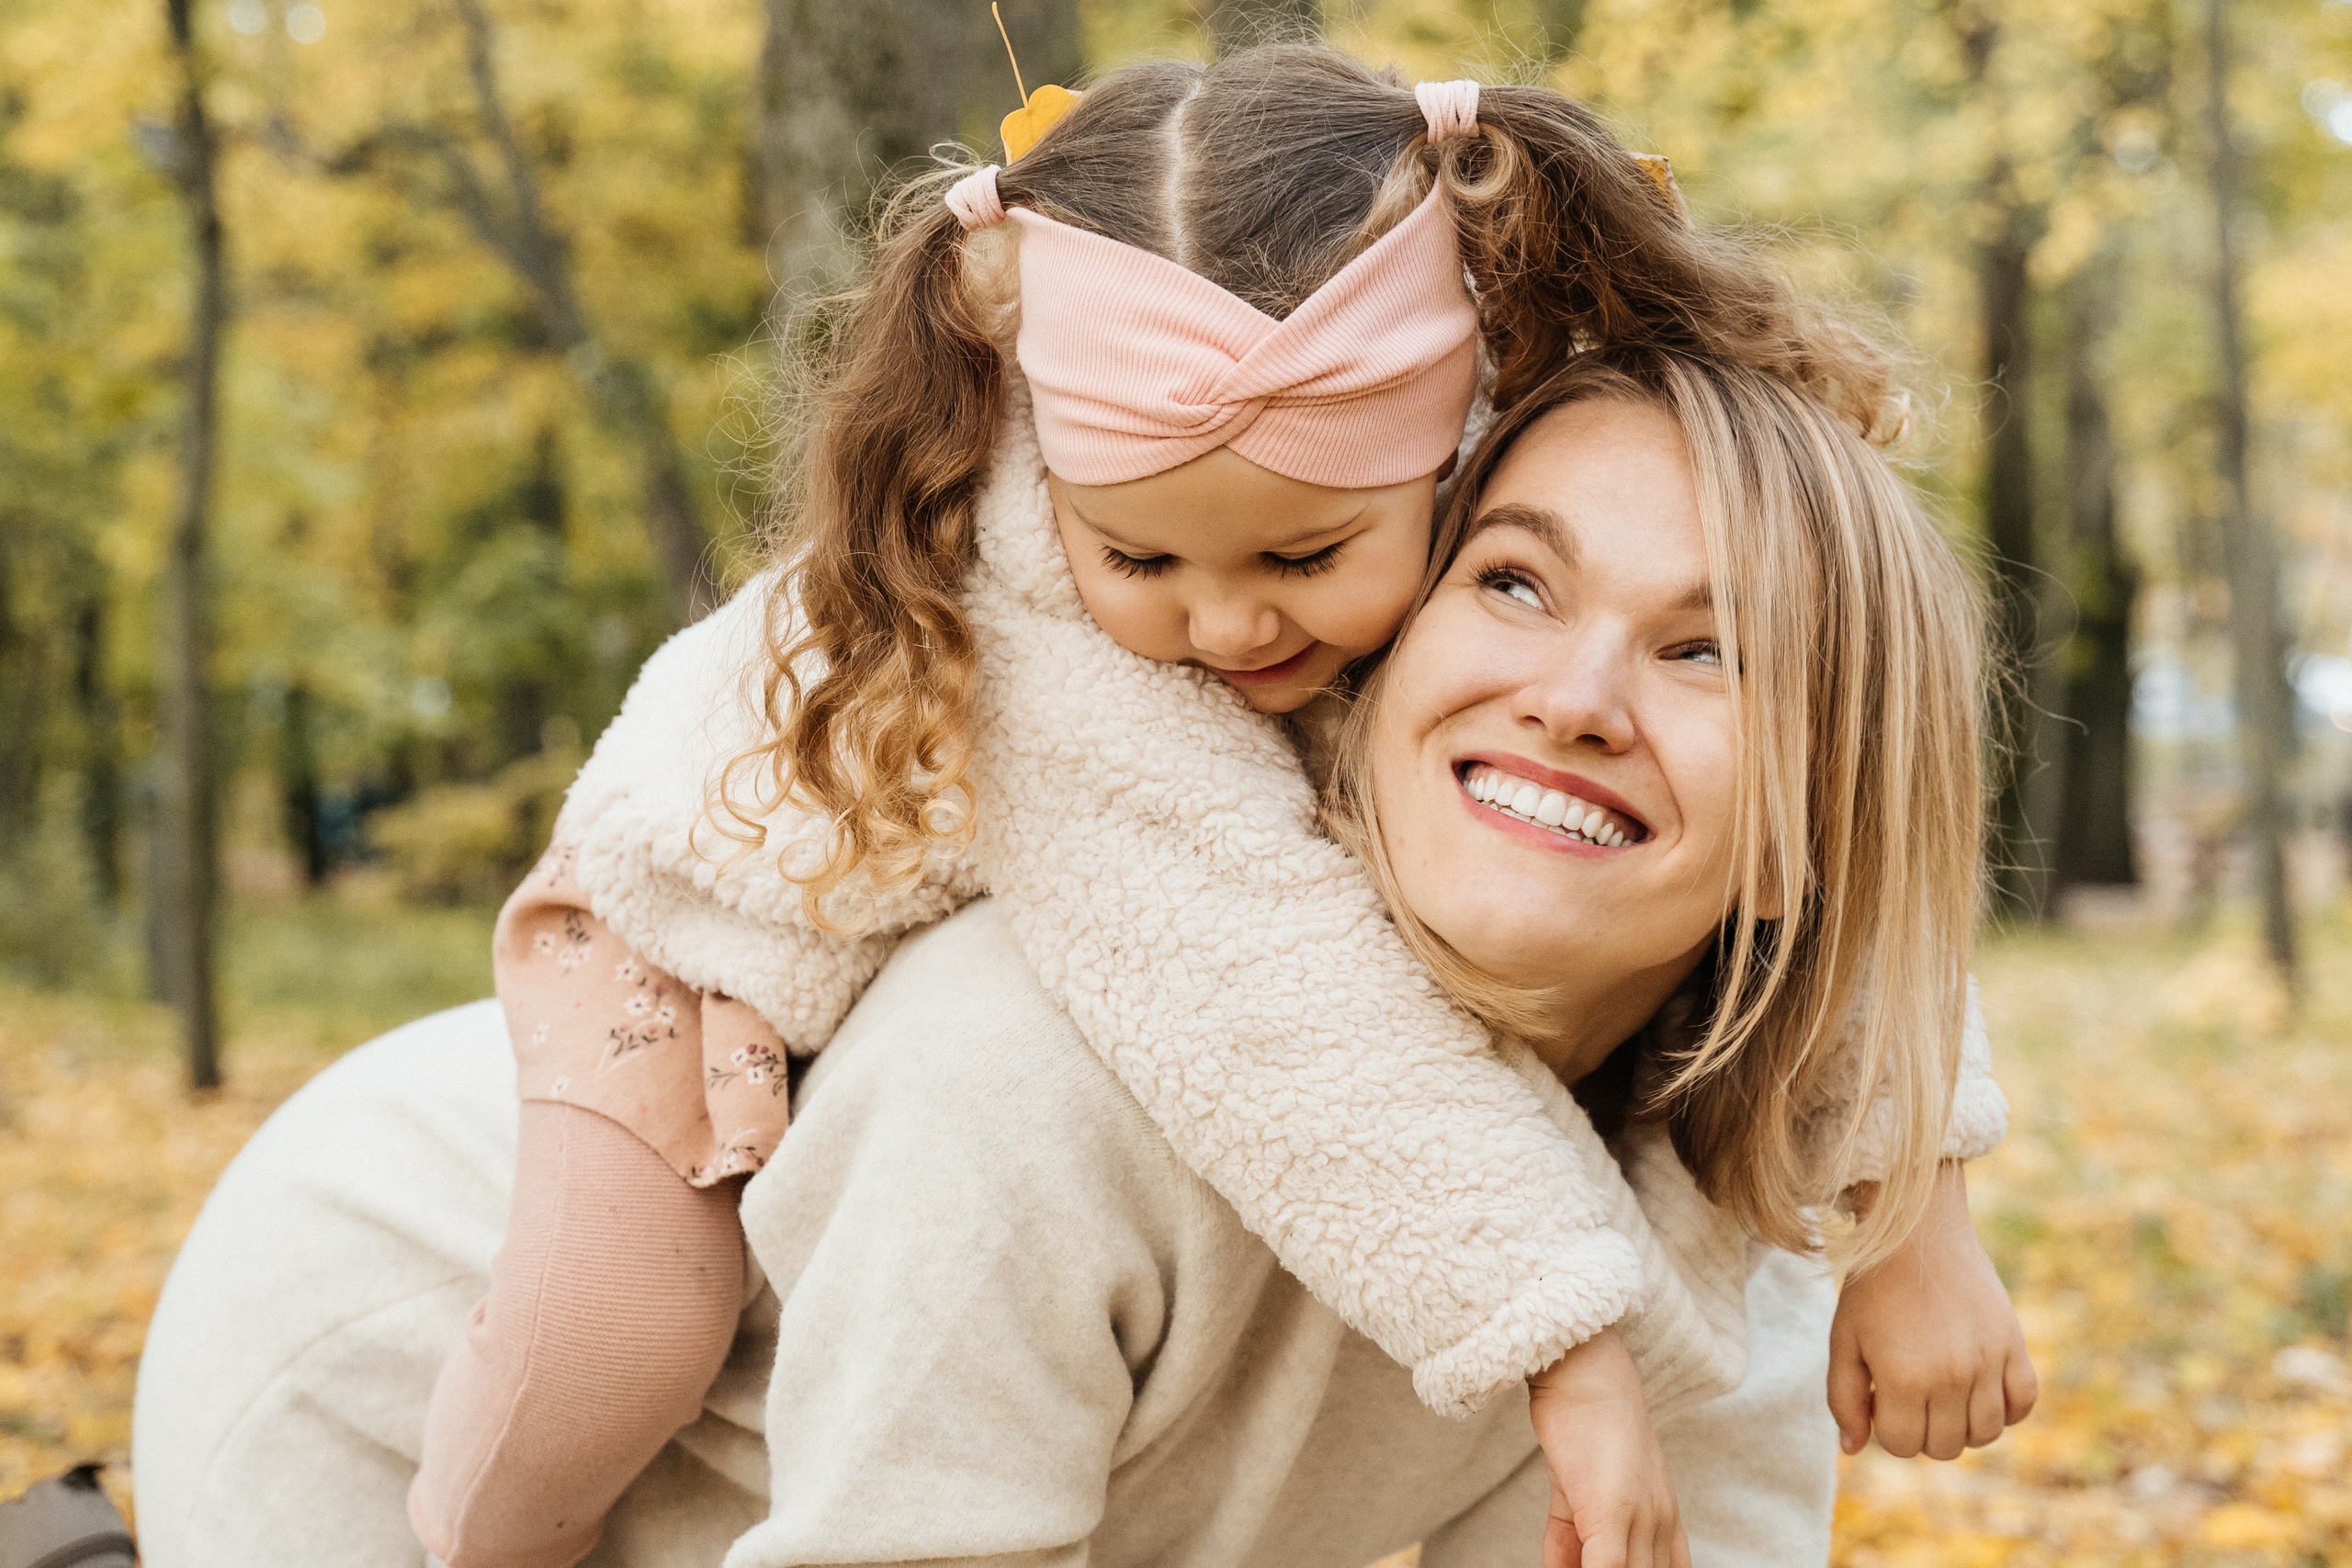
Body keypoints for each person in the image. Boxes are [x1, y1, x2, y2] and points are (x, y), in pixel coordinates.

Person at [390, 44, 2010, 1568]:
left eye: (1303, 557)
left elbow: (1851, 837)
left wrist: (1917, 1207)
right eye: (1143, 558)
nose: (1229, 625)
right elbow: (1268, 993)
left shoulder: (1467, 484)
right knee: (609, 1337)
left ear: (1439, 462)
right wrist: (1565, 1342)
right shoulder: (1063, 666)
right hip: (677, 933)